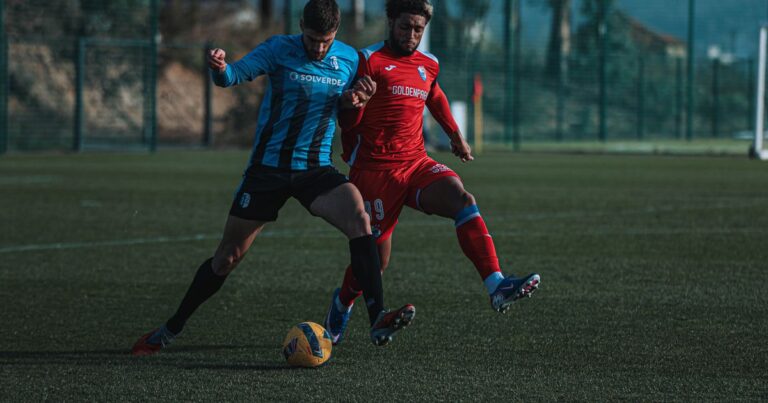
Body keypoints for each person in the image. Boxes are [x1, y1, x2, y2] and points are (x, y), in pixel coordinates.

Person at [131, 0, 415, 356]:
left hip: (314, 169)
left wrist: (356, 101)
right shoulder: (278, 49)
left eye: (326, 41)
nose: (319, 47)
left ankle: (377, 318)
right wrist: (220, 68)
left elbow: (349, 114)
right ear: (301, 27)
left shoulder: (350, 60)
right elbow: (233, 76)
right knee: (227, 258)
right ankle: (169, 330)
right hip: (269, 170)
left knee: (360, 219)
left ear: (336, 33)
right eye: (313, 39)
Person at [324, 0, 540, 345]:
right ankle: (342, 302)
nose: (411, 35)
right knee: (375, 262)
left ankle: (496, 284)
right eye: (405, 26)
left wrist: (455, 136)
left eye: (418, 29)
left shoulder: (429, 63)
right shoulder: (367, 60)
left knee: (462, 198)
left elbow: (434, 95)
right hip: (374, 172)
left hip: (416, 162)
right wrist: (352, 106)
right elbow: (348, 120)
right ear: (390, 21)